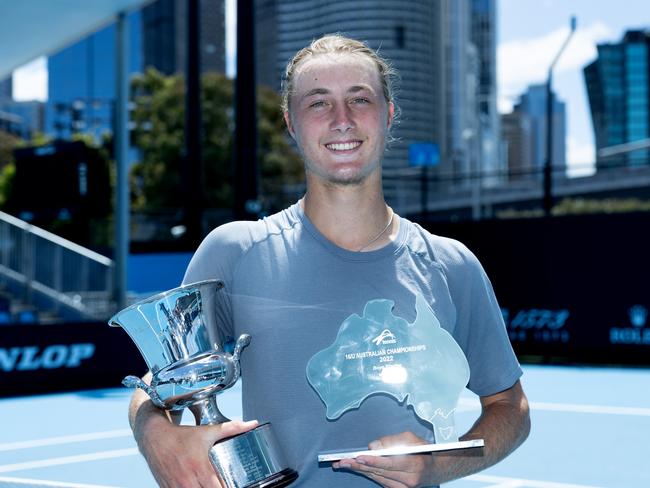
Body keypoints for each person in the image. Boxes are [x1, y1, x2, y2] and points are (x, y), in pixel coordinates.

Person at [128, 34, 530, 488]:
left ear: (388, 114)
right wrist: (154, 434)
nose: (342, 120)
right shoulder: (234, 252)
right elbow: (164, 382)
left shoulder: (452, 265)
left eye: (360, 99)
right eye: (318, 103)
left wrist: (440, 464)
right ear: (291, 123)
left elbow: (510, 408)